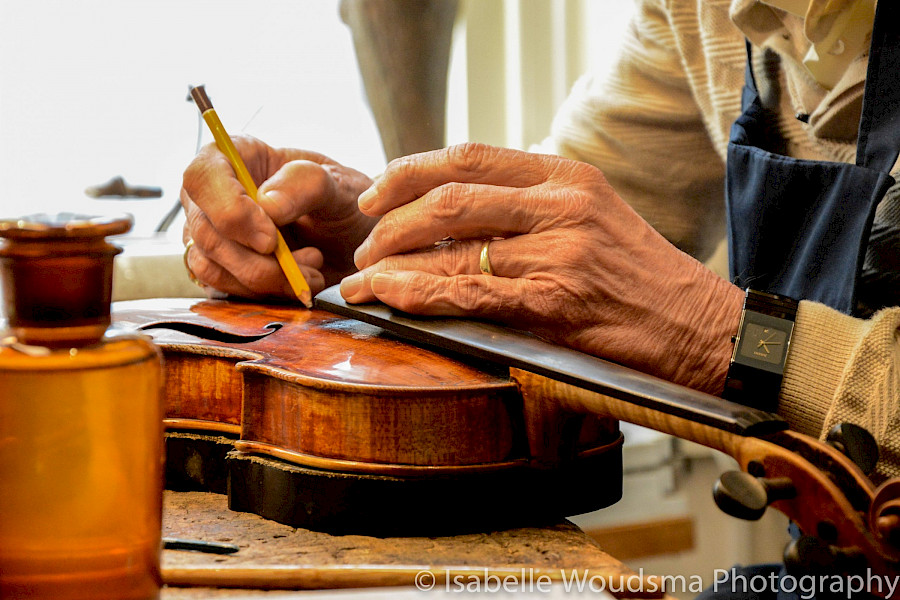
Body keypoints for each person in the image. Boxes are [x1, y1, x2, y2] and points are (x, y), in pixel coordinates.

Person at [180, 0, 900, 482]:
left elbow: (680, 314)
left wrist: (723, 336)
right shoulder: (700, 10)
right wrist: (374, 244)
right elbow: (554, 250)